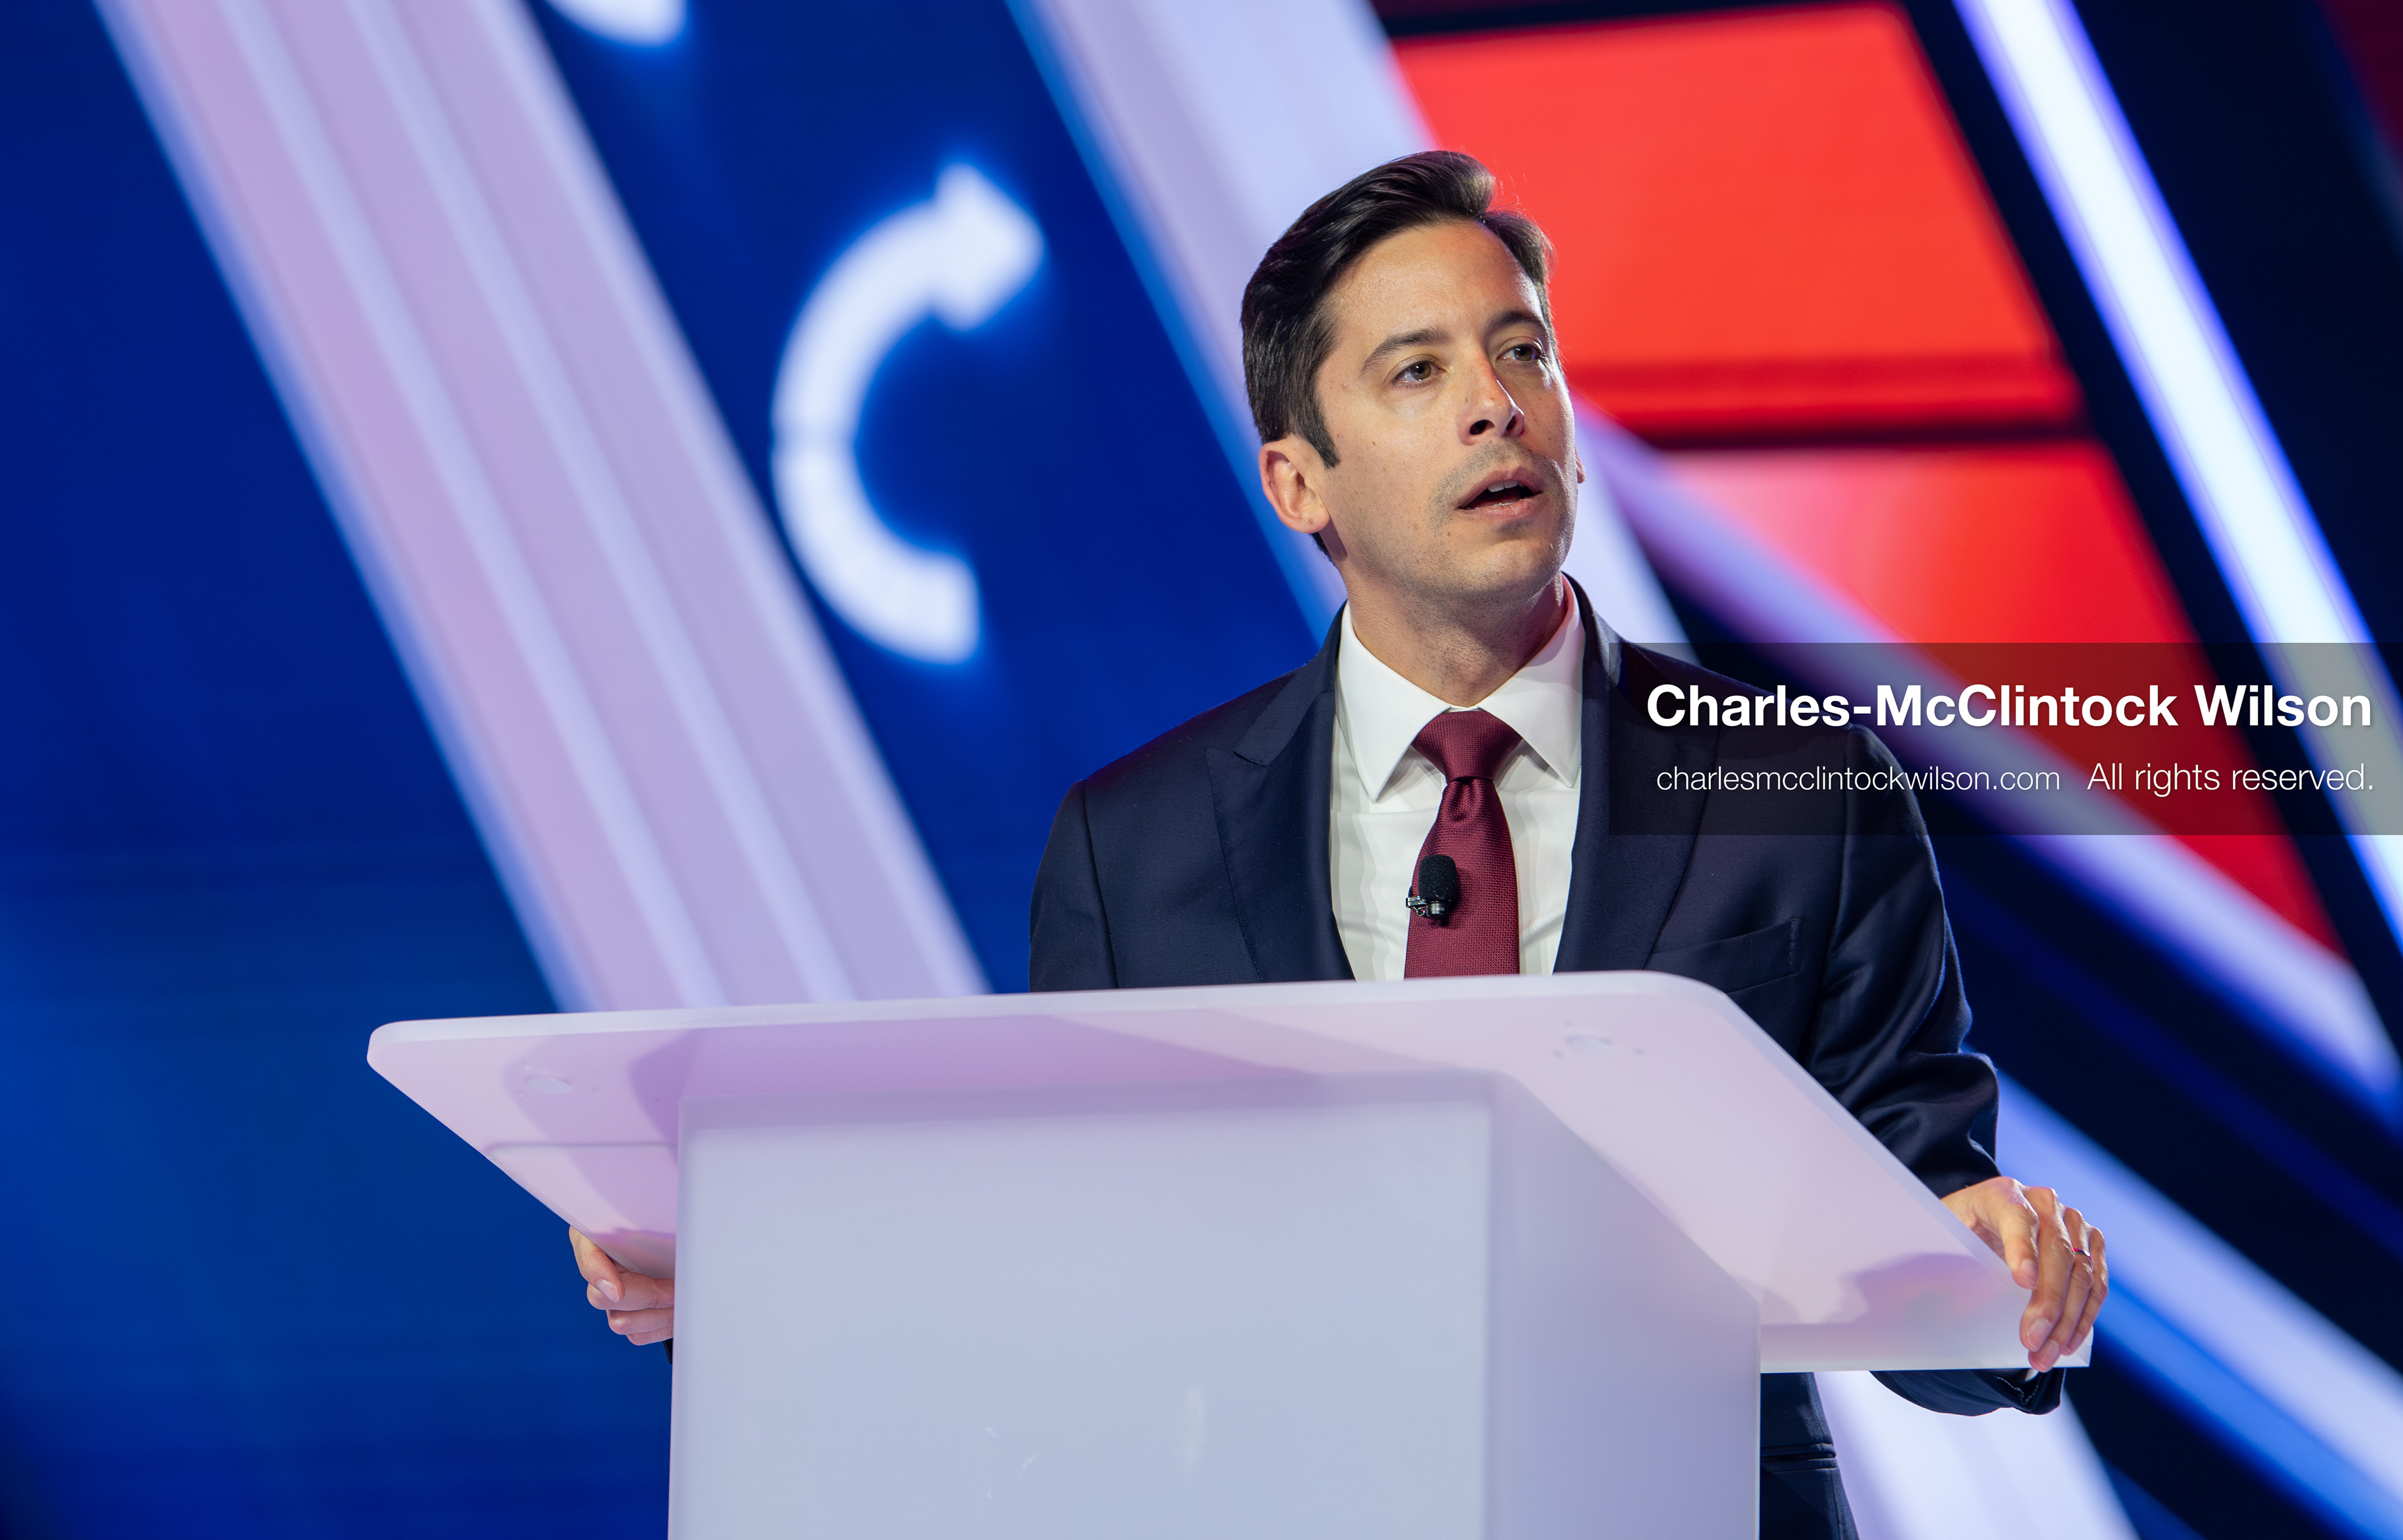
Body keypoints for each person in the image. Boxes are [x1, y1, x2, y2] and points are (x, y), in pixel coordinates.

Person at [574, 151, 2108, 1539]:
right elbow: (1066, 1274)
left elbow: (1920, 1239)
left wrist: (1996, 1271)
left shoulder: (1798, 791)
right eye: (1417, 370)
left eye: (1524, 352)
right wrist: (774, 1279)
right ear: (1299, 480)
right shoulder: (1137, 842)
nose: (1496, 403)